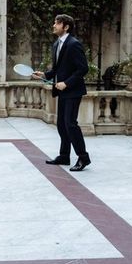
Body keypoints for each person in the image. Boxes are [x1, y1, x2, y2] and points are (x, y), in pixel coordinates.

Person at [33, 14, 91, 171]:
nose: (53, 25)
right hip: (63, 92)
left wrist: (66, 83)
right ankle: (64, 156)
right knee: (61, 125)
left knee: (70, 124)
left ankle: (83, 158)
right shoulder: (56, 44)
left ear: (66, 27)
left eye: (57, 23)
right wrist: (45, 75)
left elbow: (83, 68)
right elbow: (58, 69)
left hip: (73, 91)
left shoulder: (74, 44)